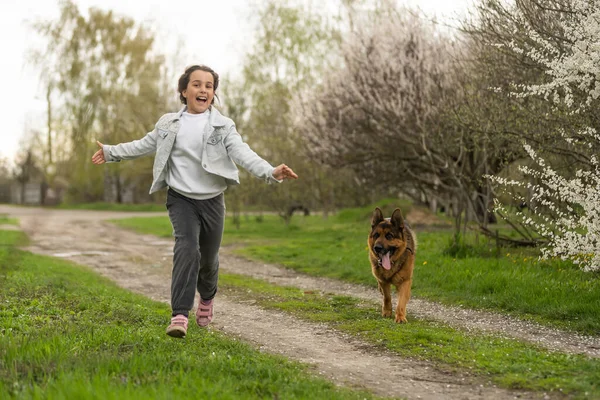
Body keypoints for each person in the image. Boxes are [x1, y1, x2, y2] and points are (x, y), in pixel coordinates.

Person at [91, 64, 298, 338]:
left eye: (209, 86)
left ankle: (208, 298)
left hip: (212, 200)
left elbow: (243, 153)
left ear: (213, 94)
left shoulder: (223, 126)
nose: (203, 89)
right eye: (197, 84)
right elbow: (142, 145)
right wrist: (110, 152)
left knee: (209, 260)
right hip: (181, 199)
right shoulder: (168, 124)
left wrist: (270, 172)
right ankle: (179, 314)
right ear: (184, 90)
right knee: (187, 249)